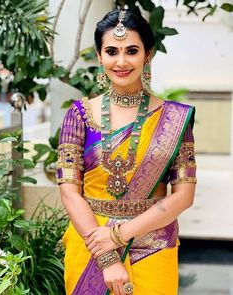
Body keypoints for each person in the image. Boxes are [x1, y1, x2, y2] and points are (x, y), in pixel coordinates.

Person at [57, 8, 197, 295]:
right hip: (91, 245)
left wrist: (118, 235)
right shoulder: (79, 115)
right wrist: (107, 255)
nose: (121, 61)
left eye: (131, 50)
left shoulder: (174, 119)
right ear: (99, 56)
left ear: (148, 55)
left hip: (153, 247)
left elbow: (183, 195)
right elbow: (69, 191)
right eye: (111, 51)